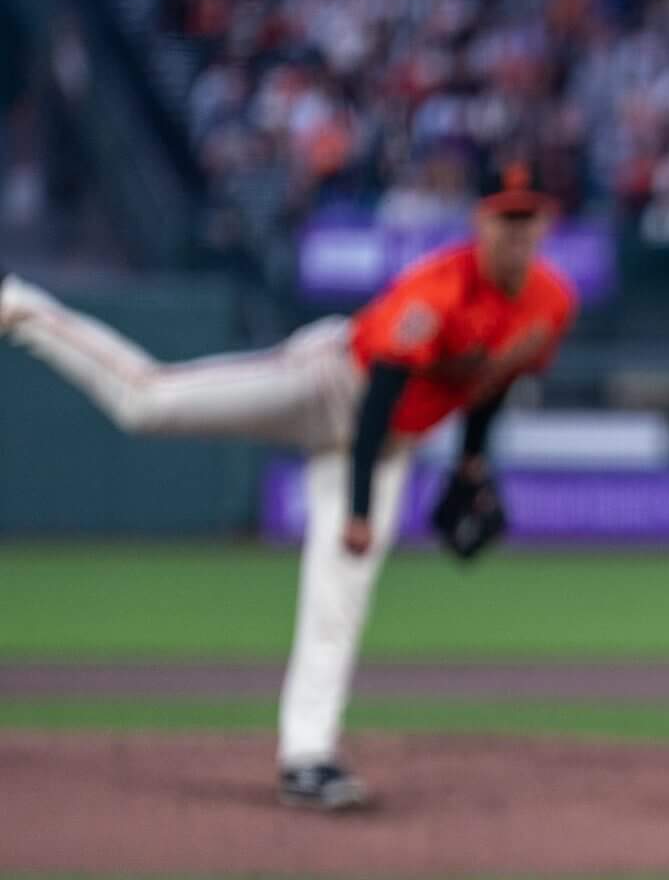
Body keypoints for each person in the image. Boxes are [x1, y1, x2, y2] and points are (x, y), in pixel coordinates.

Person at [0, 162, 577, 809]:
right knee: (148, 403)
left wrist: (471, 462)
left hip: (390, 444)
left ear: (545, 225)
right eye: (507, 217)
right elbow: (380, 397)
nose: (517, 232)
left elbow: (490, 383)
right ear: (482, 224)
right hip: (332, 384)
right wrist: (358, 510)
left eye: (529, 219)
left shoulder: (549, 303)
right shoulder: (438, 289)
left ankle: (308, 756)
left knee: (343, 592)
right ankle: (22, 308)